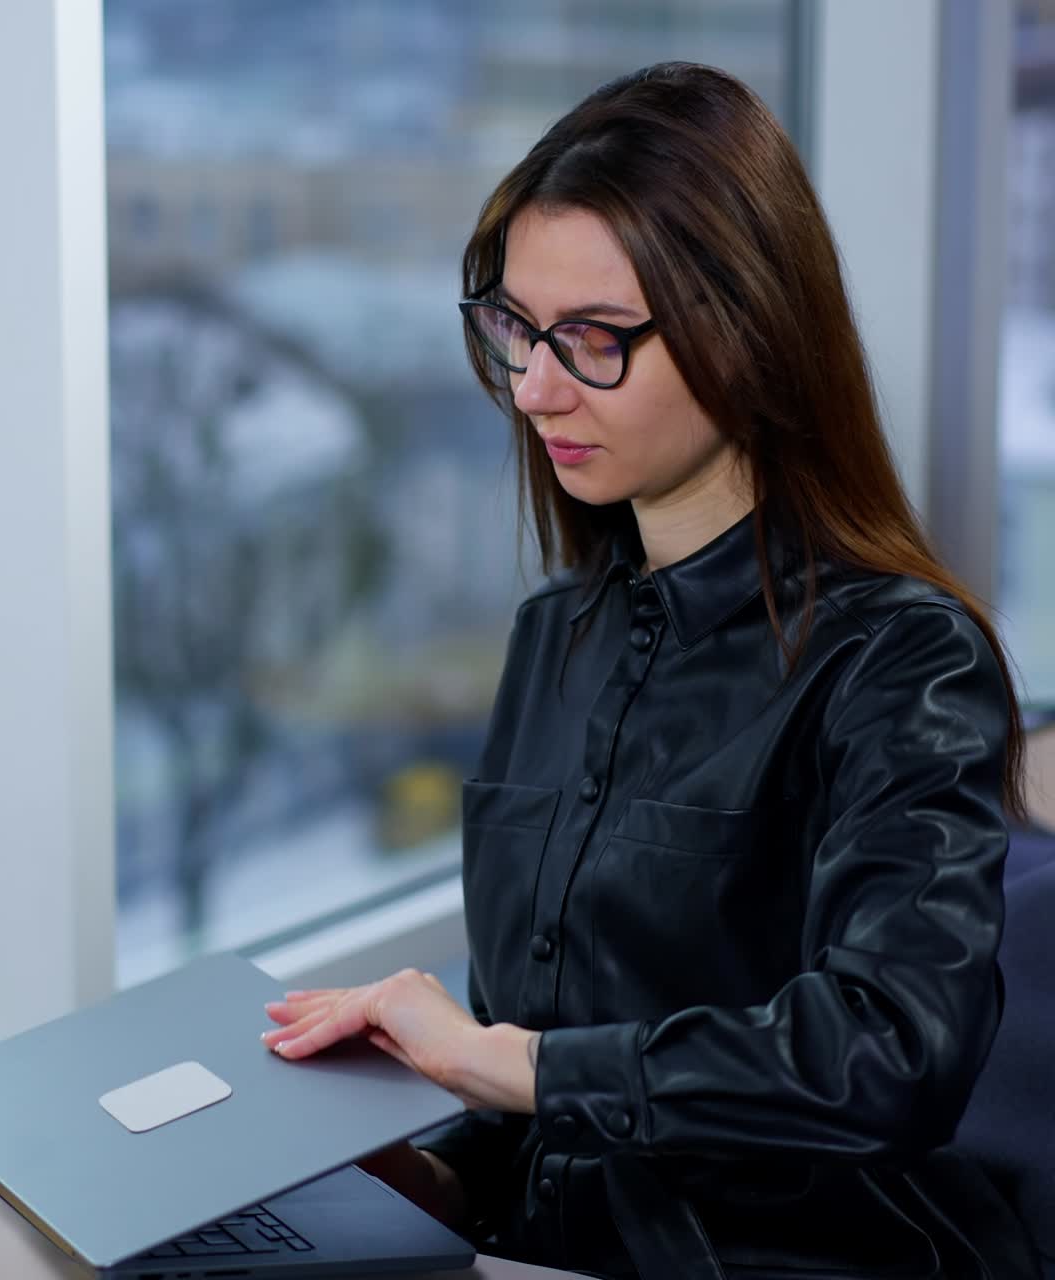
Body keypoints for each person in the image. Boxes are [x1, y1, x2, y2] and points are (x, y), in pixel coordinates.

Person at [261, 62, 1039, 1279]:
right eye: (515, 327)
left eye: (591, 339)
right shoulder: (552, 638)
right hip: (537, 1248)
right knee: (52, 1235)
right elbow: (546, 1082)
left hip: (779, 1261)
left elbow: (890, 1052)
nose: (533, 387)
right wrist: (438, 1171)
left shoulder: (900, 656)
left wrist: (498, 1061)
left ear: (748, 334)